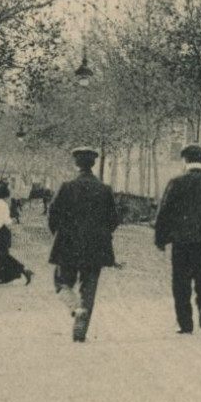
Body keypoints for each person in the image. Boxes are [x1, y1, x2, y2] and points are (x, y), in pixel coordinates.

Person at [47, 147, 119, 343]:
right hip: (96, 247)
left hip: (68, 244)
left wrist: (60, 235)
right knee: (89, 287)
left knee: (61, 282)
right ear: (93, 164)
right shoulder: (104, 189)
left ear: (76, 164)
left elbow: (52, 215)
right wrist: (101, 236)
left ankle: (74, 308)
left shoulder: (66, 187)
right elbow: (113, 219)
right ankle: (81, 331)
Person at [154, 143, 201, 334]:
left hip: (181, 242)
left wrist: (161, 238)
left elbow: (164, 212)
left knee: (180, 282)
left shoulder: (176, 183)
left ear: (185, 160)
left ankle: (185, 323)